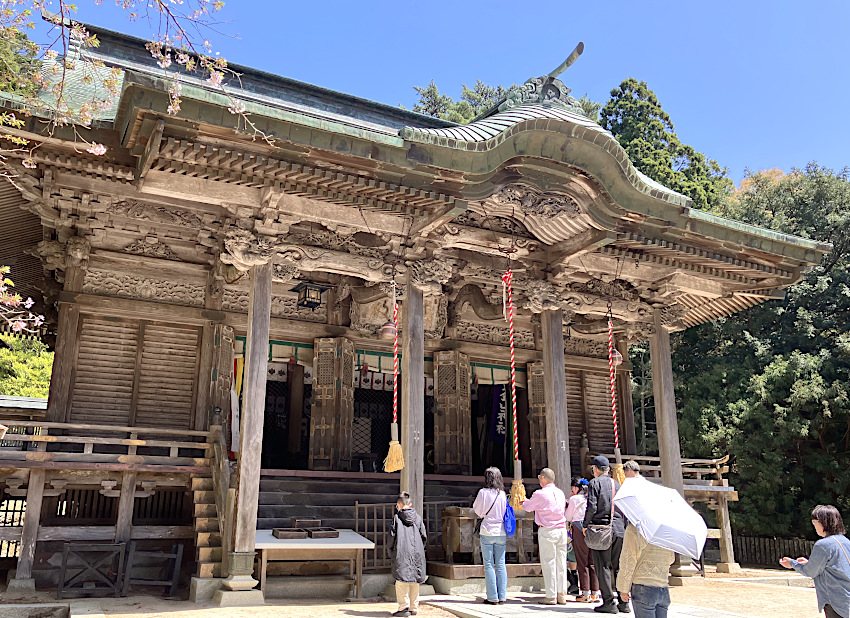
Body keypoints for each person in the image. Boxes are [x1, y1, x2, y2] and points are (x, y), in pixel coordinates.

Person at [780, 505, 850, 618]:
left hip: (835, 602)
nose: (814, 527)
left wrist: (792, 563)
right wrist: (809, 562)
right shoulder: (846, 541)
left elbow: (810, 572)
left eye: (814, 523)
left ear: (824, 522)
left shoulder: (823, 544)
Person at [583, 455, 628, 614]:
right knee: (618, 567)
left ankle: (609, 602)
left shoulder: (594, 483)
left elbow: (592, 507)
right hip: (619, 529)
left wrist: (585, 524)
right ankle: (623, 602)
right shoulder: (617, 484)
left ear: (595, 469)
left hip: (602, 529)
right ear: (608, 469)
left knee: (602, 566)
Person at [521, 467, 569, 605]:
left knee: (549, 563)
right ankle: (561, 594)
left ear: (542, 478)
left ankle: (551, 595)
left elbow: (528, 507)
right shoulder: (560, 493)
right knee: (561, 562)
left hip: (548, 530)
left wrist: (524, 501)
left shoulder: (539, 494)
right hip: (561, 529)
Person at [616, 520, 675, 618]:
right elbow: (671, 559)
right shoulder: (667, 531)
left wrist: (624, 588)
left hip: (643, 586)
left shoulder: (634, 529)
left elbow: (628, 561)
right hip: (663, 588)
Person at [473, 467, 508, 605]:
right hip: (501, 531)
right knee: (501, 564)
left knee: (488, 564)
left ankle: (492, 596)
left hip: (487, 530)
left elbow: (478, 510)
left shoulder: (483, 493)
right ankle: (502, 596)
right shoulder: (502, 494)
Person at [389, 492, 427, 617]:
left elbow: (392, 537)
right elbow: (424, 536)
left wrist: (391, 551)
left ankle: (403, 607)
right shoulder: (418, 518)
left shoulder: (397, 518)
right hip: (417, 552)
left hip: (401, 552)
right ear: (410, 504)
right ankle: (413, 607)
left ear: (398, 505)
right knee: (415, 580)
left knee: (401, 580)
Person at [567, 476, 600, 602]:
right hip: (592, 529)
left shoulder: (575, 499)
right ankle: (595, 592)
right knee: (592, 561)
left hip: (579, 529)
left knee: (582, 560)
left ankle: (585, 592)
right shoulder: (591, 497)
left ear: (576, 488)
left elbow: (568, 516)